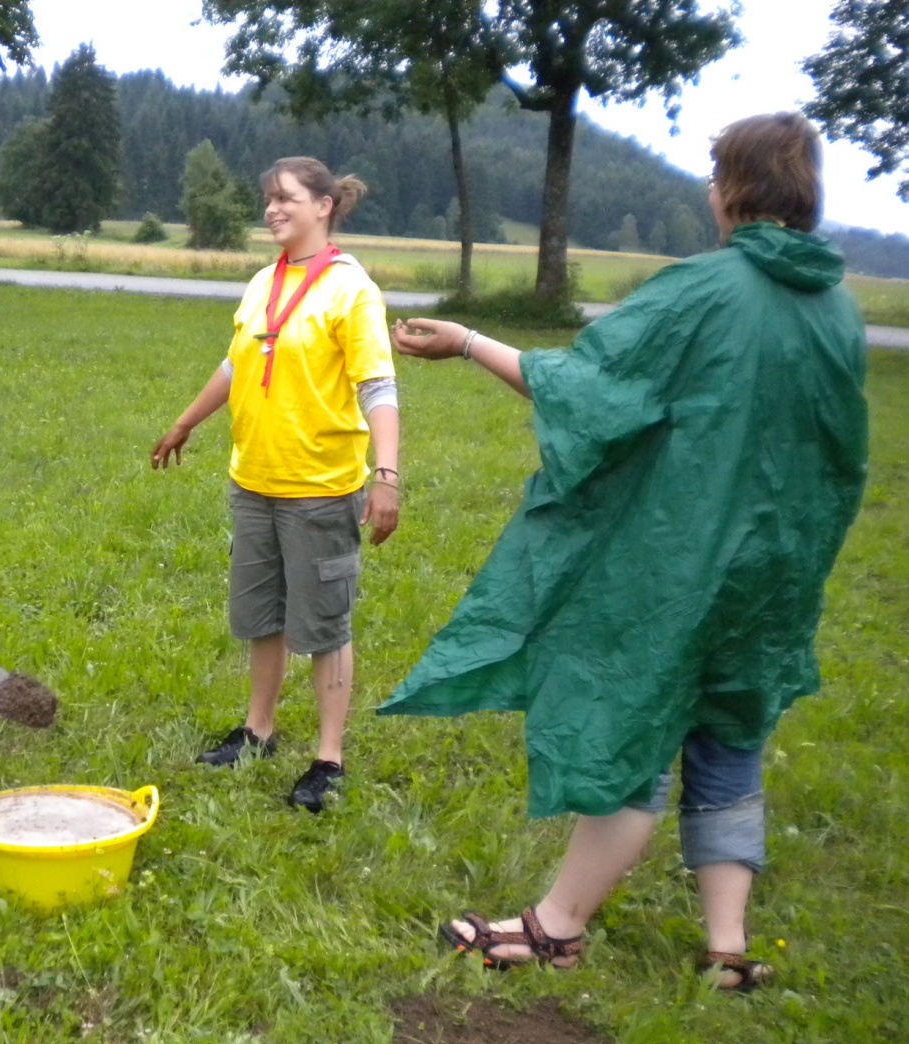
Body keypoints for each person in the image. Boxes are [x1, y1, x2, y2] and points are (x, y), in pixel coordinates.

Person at [382, 112, 867, 988]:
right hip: (779, 570)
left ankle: (558, 926)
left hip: (686, 561)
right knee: (729, 740)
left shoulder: (707, 292)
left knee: (635, 727)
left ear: (733, 189)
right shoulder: (834, 304)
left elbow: (589, 389)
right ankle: (727, 947)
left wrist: (466, 341)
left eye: (717, 177)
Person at [151, 156, 401, 812]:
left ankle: (329, 759)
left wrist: (387, 475)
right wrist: (185, 422)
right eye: (267, 198)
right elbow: (237, 364)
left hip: (320, 486)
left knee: (323, 622)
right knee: (262, 615)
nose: (271, 209)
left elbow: (378, 386)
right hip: (254, 479)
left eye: (286, 198)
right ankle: (257, 731)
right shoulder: (264, 279)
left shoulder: (351, 289)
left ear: (324, 206)